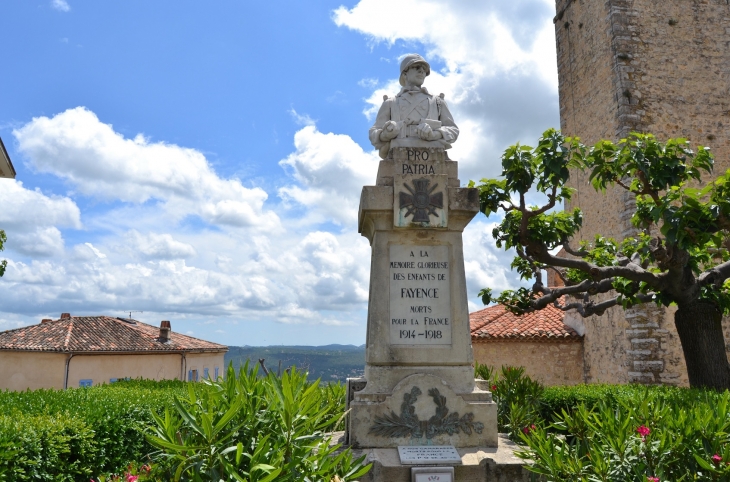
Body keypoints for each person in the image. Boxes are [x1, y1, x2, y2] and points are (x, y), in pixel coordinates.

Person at [369, 54, 459, 158]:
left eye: (424, 69)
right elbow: (373, 132)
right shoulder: (390, 102)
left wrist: (434, 134)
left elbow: (453, 129)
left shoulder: (437, 102)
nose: (421, 71)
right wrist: (386, 134)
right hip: (398, 152)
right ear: (405, 74)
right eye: (416, 67)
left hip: (433, 153)